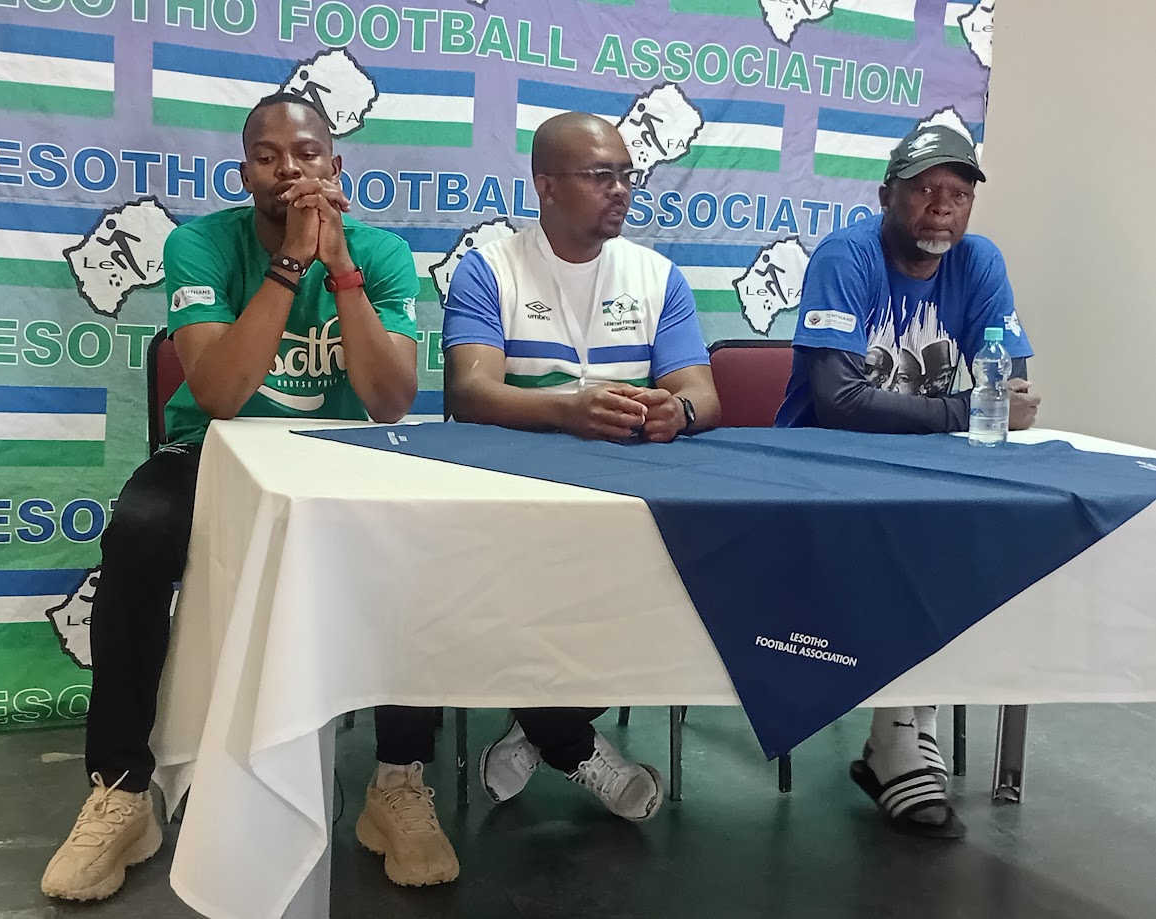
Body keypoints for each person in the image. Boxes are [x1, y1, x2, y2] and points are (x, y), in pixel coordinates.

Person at [41, 93, 459, 901]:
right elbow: (222, 393)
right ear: (244, 174)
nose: (288, 170)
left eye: (306, 154)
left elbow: (389, 402)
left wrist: (340, 270)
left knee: (420, 537)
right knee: (138, 529)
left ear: (336, 167)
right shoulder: (201, 244)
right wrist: (290, 263)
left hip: (338, 458)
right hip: (214, 450)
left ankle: (396, 782)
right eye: (267, 157)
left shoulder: (381, 253)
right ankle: (122, 790)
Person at [441, 111, 722, 822]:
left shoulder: (657, 275)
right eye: (601, 176)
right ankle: (568, 740)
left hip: (630, 498)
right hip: (515, 498)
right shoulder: (489, 268)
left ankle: (540, 728)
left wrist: (678, 412)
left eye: (627, 175)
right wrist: (567, 410)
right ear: (545, 185)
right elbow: (469, 393)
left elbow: (702, 394)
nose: (620, 189)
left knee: (689, 590)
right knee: (485, 597)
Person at [776, 124, 1041, 838]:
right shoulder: (847, 255)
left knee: (983, 537)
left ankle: (906, 721)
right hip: (817, 467)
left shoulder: (979, 260)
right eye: (924, 189)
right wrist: (969, 410)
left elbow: (1009, 387)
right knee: (907, 545)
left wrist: (984, 407)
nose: (942, 207)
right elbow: (839, 403)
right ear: (886, 194)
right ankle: (897, 735)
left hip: (922, 464)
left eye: (958, 194)